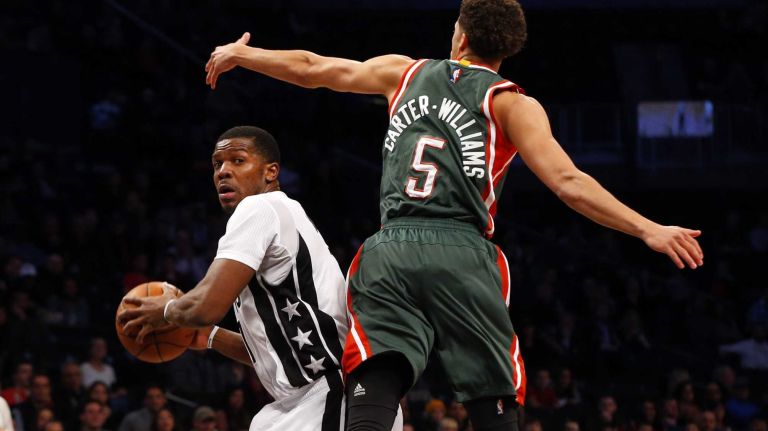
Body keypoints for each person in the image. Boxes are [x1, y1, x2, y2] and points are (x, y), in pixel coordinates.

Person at [204, 0, 705, 429]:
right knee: (492, 389)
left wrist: (243, 54)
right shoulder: (511, 102)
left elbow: (312, 68)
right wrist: (648, 228)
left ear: (459, 33)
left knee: (378, 369)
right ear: (505, 51)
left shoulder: (405, 72)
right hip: (461, 249)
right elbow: (569, 184)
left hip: (390, 248)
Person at [118, 126, 400, 431]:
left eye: (237, 161)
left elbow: (206, 305)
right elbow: (284, 350)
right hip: (322, 397)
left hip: (331, 394)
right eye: (217, 164)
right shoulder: (285, 212)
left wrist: (165, 311)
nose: (223, 172)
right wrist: (210, 336)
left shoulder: (259, 208)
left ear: (271, 172)